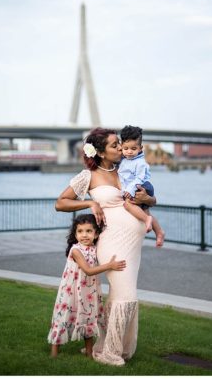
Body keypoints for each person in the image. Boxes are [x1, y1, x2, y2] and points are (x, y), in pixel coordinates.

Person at [55, 127, 165, 366]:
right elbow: (61, 203)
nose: (120, 147)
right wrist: (90, 203)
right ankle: (110, 354)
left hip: (133, 244)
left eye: (120, 144)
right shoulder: (88, 176)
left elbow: (149, 200)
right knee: (127, 295)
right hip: (112, 242)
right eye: (115, 145)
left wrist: (149, 200)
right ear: (102, 152)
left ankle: (106, 346)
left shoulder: (126, 170)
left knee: (118, 295)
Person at [48, 214, 126, 358]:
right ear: (75, 233)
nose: (84, 235)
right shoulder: (76, 250)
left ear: (96, 234)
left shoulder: (95, 248)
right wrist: (110, 265)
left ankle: (89, 353)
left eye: (89, 231)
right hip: (71, 290)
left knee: (88, 317)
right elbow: (88, 271)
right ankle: (54, 353)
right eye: (80, 231)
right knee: (63, 316)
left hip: (88, 291)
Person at [117, 125, 156, 233]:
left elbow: (139, 178)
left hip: (142, 186)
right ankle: (158, 231)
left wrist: (129, 190)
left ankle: (147, 219)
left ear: (140, 148)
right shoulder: (125, 160)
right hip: (135, 185)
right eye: (126, 148)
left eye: (133, 149)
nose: (129, 152)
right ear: (121, 147)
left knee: (128, 204)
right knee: (144, 209)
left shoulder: (140, 163)